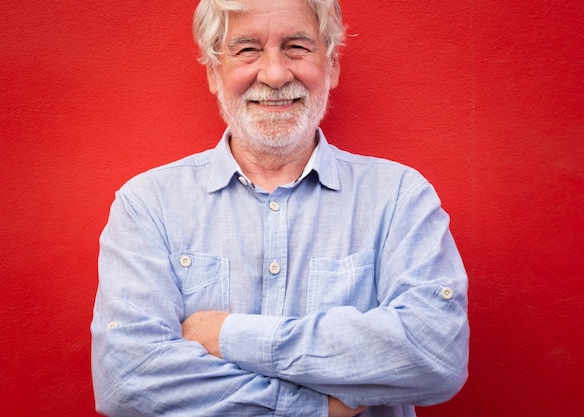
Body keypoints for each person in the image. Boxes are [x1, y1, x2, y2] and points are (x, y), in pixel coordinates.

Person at [90, 0, 469, 416]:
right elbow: (126, 380)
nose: (274, 74)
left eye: (297, 47)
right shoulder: (148, 204)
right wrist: (317, 408)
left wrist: (226, 334)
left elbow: (437, 354)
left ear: (332, 65)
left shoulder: (399, 196)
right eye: (247, 49)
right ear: (214, 72)